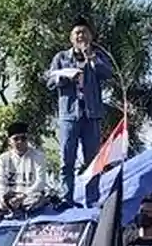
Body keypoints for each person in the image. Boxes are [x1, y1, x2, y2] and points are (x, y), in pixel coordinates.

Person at [44, 17, 114, 201]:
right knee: (67, 159)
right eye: (77, 33)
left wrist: (92, 58)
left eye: (84, 32)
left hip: (92, 115)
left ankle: (92, 199)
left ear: (90, 36)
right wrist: (65, 77)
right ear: (71, 38)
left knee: (93, 160)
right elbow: (49, 81)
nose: (80, 36)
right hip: (69, 115)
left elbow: (108, 73)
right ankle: (66, 198)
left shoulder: (97, 56)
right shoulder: (61, 58)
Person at [0, 121, 50, 213]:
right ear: (9, 141)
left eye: (23, 138)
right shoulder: (3, 158)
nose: (20, 141)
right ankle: (9, 208)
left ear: (27, 139)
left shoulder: (38, 156)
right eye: (16, 139)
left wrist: (22, 196)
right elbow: (0, 182)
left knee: (38, 199)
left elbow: (40, 183)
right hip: (10, 196)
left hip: (29, 195)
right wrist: (3, 197)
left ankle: (9, 210)